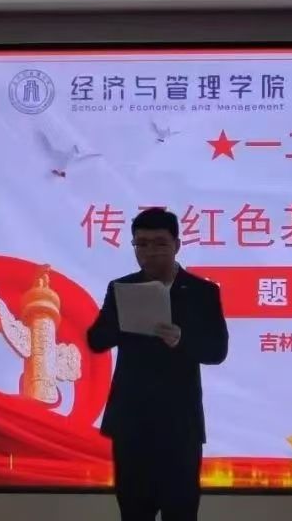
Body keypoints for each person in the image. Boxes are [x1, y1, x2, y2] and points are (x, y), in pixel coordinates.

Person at [88, 207, 228, 521]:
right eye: (141, 244)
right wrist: (122, 320)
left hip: (180, 426)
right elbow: (96, 340)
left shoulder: (202, 292)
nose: (150, 252)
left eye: (160, 243)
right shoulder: (121, 288)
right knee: (134, 512)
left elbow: (217, 351)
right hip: (131, 424)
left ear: (177, 244)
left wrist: (182, 340)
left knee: (181, 512)